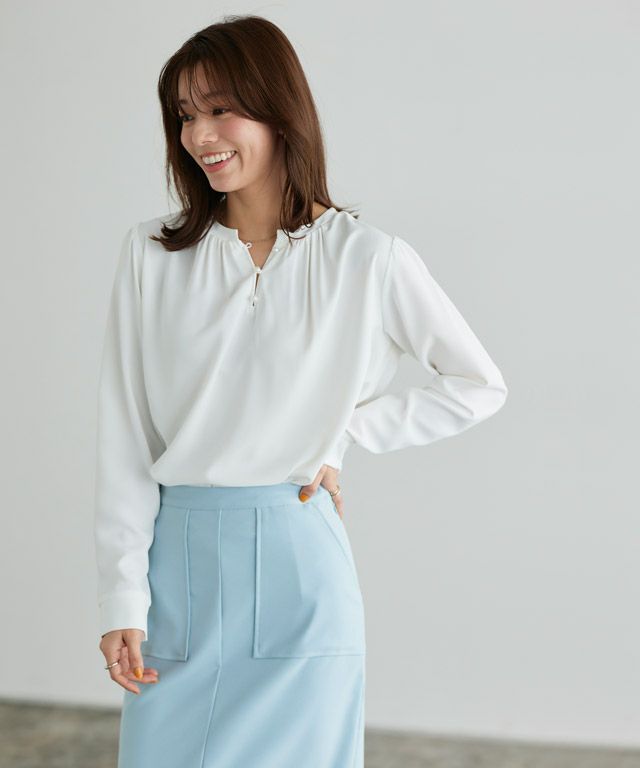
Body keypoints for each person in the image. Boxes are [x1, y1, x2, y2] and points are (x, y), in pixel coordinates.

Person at [94, 14, 508, 768]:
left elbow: (478, 384)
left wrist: (346, 433)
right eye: (184, 115)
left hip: (299, 565)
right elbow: (125, 436)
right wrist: (122, 598)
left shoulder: (366, 257)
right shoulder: (152, 254)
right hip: (177, 568)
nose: (199, 135)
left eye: (221, 108)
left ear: (278, 110)